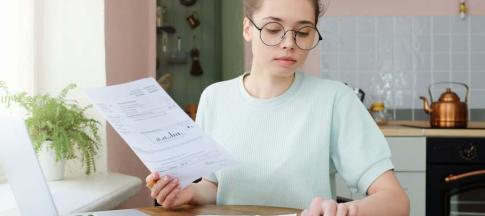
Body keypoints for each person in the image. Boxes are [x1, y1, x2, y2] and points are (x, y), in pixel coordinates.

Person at [146, 0, 410, 215]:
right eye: (273, 29)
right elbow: (216, 186)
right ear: (248, 29)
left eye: (303, 32)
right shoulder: (215, 98)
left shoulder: (335, 100)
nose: (289, 43)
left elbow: (396, 201)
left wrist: (344, 211)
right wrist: (189, 194)